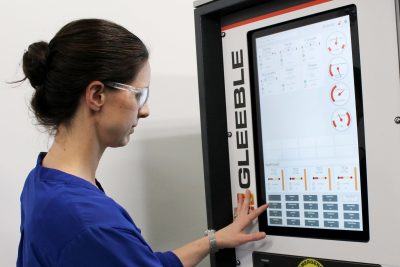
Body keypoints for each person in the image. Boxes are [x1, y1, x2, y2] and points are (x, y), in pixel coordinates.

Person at [17, 18, 268, 267]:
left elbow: (135, 261)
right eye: (139, 94)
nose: (145, 110)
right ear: (96, 95)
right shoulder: (91, 224)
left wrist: (214, 241)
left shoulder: (41, 182)